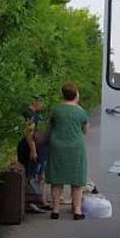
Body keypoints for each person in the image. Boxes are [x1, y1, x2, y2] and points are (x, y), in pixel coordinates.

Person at [45, 82, 90, 220]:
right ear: (76, 94)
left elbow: (50, 126)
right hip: (75, 146)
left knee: (57, 180)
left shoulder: (55, 110)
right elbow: (85, 130)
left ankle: (55, 209)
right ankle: (77, 210)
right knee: (77, 180)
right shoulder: (81, 112)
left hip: (57, 145)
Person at [17, 95, 51, 213]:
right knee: (31, 174)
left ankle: (40, 201)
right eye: (41, 101)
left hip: (40, 147)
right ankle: (30, 202)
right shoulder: (29, 114)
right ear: (35, 101)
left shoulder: (37, 114)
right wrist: (33, 150)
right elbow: (28, 133)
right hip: (30, 147)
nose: (43, 104)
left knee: (39, 174)